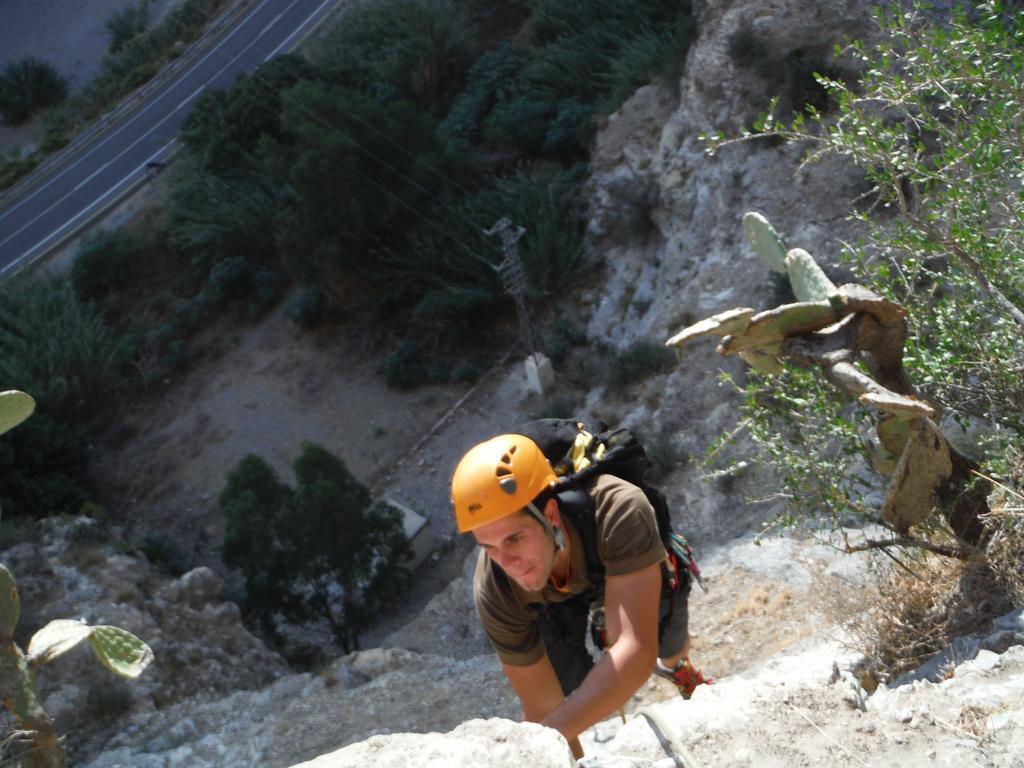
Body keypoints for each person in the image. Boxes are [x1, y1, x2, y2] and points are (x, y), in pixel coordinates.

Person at [450, 432, 711, 758]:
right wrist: (553, 755)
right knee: (566, 690)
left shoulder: (619, 509)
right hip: (548, 598)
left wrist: (531, 750)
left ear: (550, 515)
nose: (507, 563)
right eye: (488, 547)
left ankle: (678, 668)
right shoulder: (496, 588)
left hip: (615, 555)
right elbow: (542, 710)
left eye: (514, 538)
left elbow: (635, 651)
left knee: (669, 640)